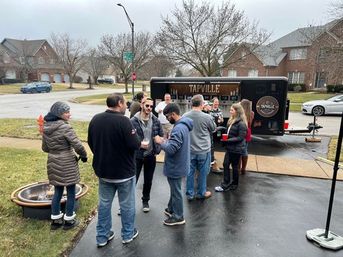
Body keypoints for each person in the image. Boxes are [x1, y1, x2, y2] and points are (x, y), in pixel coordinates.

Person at [88, 93, 141, 247]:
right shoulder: (124, 121)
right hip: (124, 173)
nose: (127, 106)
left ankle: (102, 237)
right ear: (119, 103)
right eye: (125, 103)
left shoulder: (96, 119)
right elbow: (135, 144)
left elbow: (91, 143)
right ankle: (127, 234)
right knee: (127, 205)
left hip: (104, 172)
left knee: (104, 204)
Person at [42, 101, 87, 230]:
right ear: (59, 114)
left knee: (58, 190)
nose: (69, 114)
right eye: (67, 112)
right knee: (71, 190)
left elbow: (45, 148)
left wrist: (55, 150)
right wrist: (83, 155)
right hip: (66, 161)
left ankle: (56, 221)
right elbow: (77, 145)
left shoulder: (46, 127)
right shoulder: (65, 127)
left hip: (52, 160)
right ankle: (69, 220)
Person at [154, 103, 193, 226]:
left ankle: (178, 216)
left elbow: (171, 149)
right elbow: (176, 144)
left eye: (167, 116)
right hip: (182, 163)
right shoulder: (184, 125)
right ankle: (171, 209)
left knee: (176, 191)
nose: (166, 119)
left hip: (176, 166)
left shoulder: (178, 128)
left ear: (173, 114)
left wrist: (160, 141)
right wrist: (167, 141)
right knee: (174, 189)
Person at [131, 97, 163, 212]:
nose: (149, 108)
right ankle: (126, 204)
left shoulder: (155, 120)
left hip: (150, 155)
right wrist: (138, 144)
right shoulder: (133, 121)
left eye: (151, 106)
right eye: (147, 106)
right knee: (132, 181)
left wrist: (157, 149)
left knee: (148, 180)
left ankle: (145, 201)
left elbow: (161, 134)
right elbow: (129, 138)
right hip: (137, 156)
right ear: (141, 105)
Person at [183, 94, 216, 200]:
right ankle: (202, 192)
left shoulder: (185, 116)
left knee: (190, 172)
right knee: (203, 173)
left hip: (190, 150)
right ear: (202, 104)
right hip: (204, 150)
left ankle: (190, 193)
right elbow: (213, 129)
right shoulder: (207, 117)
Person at [214, 103, 247, 192]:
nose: (230, 111)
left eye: (232, 110)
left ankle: (229, 185)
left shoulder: (241, 124)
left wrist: (227, 141)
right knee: (227, 165)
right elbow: (229, 131)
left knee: (234, 166)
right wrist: (220, 128)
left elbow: (240, 138)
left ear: (237, 111)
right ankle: (230, 184)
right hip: (230, 148)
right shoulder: (232, 120)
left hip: (236, 149)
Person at [240, 99, 255, 174]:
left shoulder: (240, 113)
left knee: (239, 151)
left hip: (240, 132)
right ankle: (243, 168)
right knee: (245, 150)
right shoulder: (251, 113)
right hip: (248, 132)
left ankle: (238, 168)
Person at [210, 97, 224, 172]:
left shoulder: (220, 110)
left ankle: (213, 156)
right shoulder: (210, 110)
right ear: (212, 103)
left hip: (218, 129)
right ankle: (212, 157)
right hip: (212, 129)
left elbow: (222, 119)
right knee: (211, 143)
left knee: (216, 142)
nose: (216, 104)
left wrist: (221, 120)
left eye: (217, 102)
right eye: (215, 102)